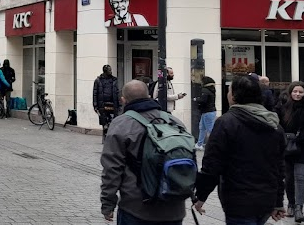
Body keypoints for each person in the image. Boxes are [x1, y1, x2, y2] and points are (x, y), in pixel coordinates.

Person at [194, 74, 287, 225]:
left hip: (237, 200)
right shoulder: (274, 125)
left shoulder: (226, 123)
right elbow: (279, 168)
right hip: (265, 199)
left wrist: (201, 196)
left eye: (229, 91)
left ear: (235, 95)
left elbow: (212, 165)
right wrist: (277, 201)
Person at [99, 80, 186, 224]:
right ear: (149, 96)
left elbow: (112, 169)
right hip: (174, 208)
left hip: (137, 209)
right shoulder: (174, 122)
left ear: (123, 100)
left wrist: (108, 204)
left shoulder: (121, 124)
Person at [276, 81, 304, 223]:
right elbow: (276, 125)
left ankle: (298, 208)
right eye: (295, 91)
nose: (298, 94)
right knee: (289, 178)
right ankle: (290, 203)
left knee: (300, 177)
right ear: (290, 92)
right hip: (287, 147)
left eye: (301, 92)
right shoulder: (282, 107)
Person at [92, 65, 120, 143]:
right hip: (102, 104)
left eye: (111, 70)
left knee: (112, 121)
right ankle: (105, 138)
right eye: (109, 70)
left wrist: (119, 104)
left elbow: (117, 92)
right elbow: (95, 93)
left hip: (112, 103)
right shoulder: (98, 80)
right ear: (105, 71)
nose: (111, 71)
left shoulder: (114, 80)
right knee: (104, 121)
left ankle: (110, 138)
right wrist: (95, 105)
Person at [193, 76, 217, 151]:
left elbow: (203, 100)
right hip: (209, 111)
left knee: (210, 129)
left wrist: (196, 99)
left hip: (207, 112)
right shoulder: (212, 90)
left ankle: (216, 145)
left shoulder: (205, 90)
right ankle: (199, 144)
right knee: (202, 128)